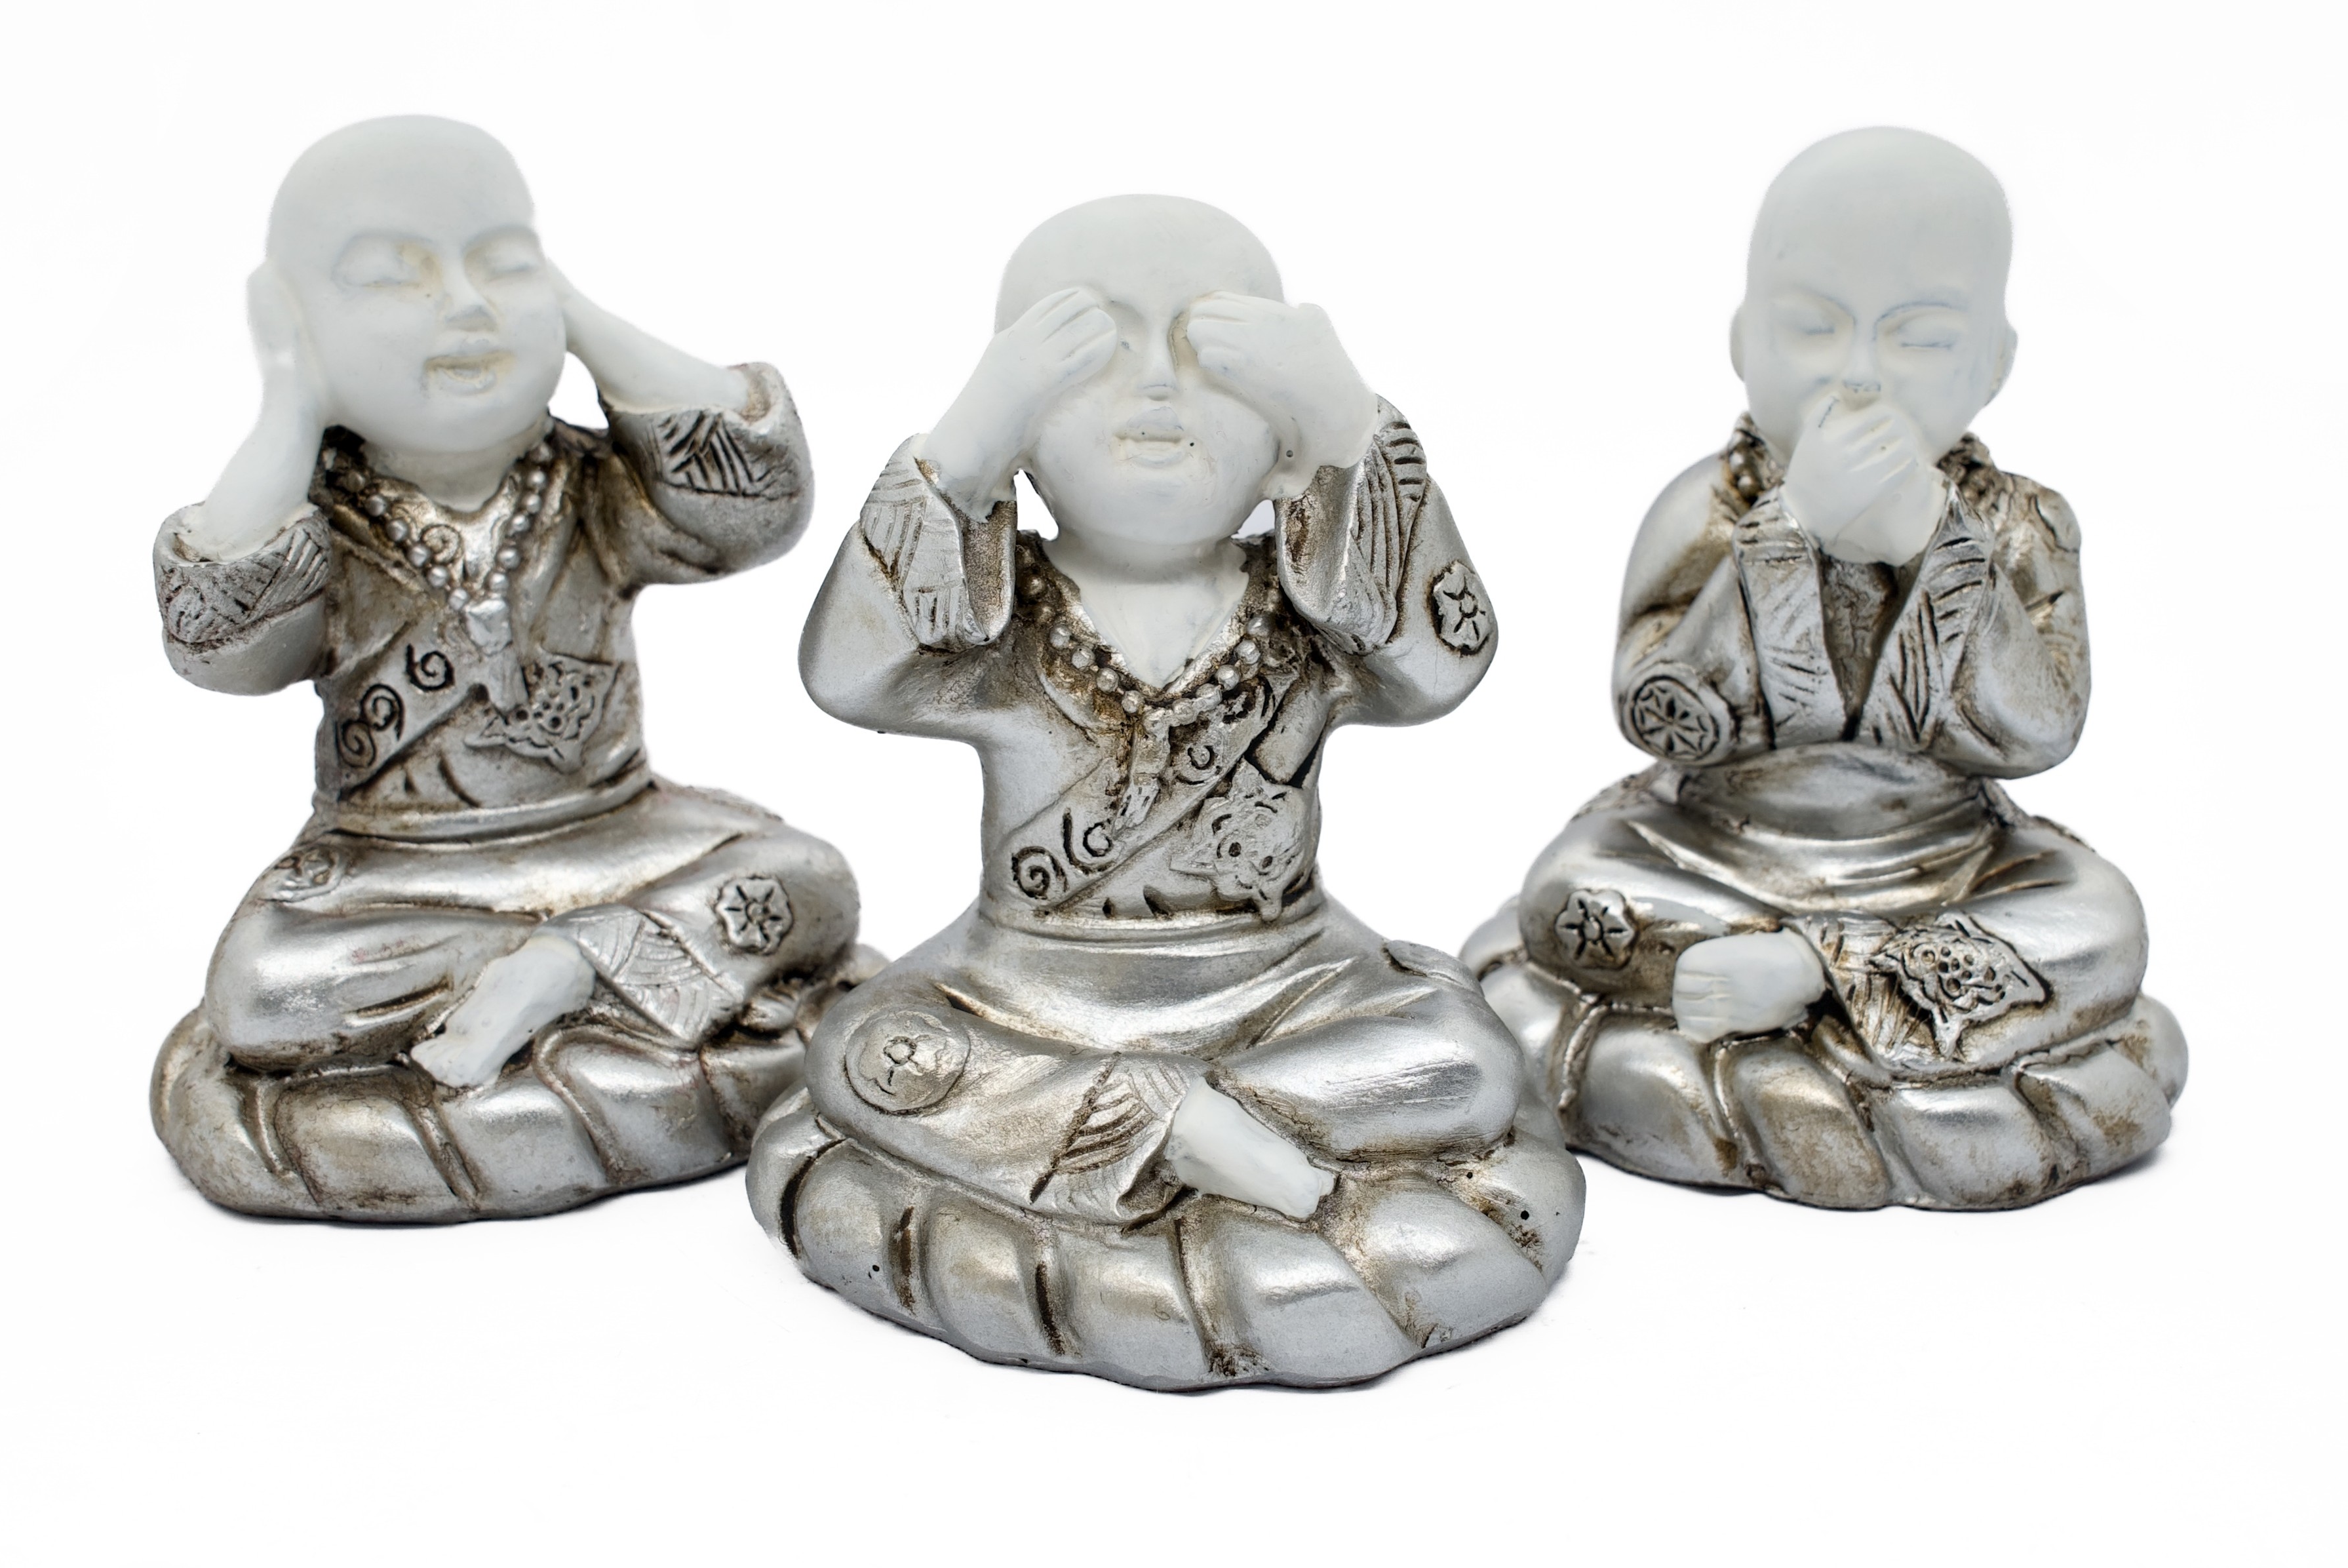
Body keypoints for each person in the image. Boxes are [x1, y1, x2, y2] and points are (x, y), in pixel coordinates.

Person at [751, 195, 1581, 1389]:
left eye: (1212, 353)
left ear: (1283, 444)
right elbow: (848, 673)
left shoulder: (1314, 607)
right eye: (1091, 351)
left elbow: (1445, 665)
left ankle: (1142, 1131)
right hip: (1028, 983)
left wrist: (1350, 426)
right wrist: (962, 451)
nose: (1157, 386)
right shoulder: (998, 618)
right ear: (1020, 434)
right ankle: (1182, 1132)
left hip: (1289, 982)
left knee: (1465, 1061)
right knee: (871, 1049)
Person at [151, 117, 868, 1221]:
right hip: (396, 873)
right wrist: (288, 395)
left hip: (621, 832)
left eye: (503, 263)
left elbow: (756, 510)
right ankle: (578, 971)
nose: (466, 306)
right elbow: (221, 650)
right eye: (395, 278)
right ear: (295, 319)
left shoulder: (594, 485)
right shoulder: (317, 518)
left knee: (809, 876)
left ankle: (570, 968)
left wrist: (579, 319)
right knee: (265, 990)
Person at [1467, 129, 2184, 1211]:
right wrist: (1789, 528)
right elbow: (1658, 714)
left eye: (1919, 338)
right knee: (1567, 894)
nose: (1858, 374)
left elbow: (2044, 729)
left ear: (1994, 366)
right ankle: (1848, 1004)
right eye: (1812, 327)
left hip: (1945, 858)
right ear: (1743, 340)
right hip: (1710, 845)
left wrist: (1938, 548)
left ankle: (1810, 976)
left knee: (2099, 922)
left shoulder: (2021, 528)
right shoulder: (1708, 509)